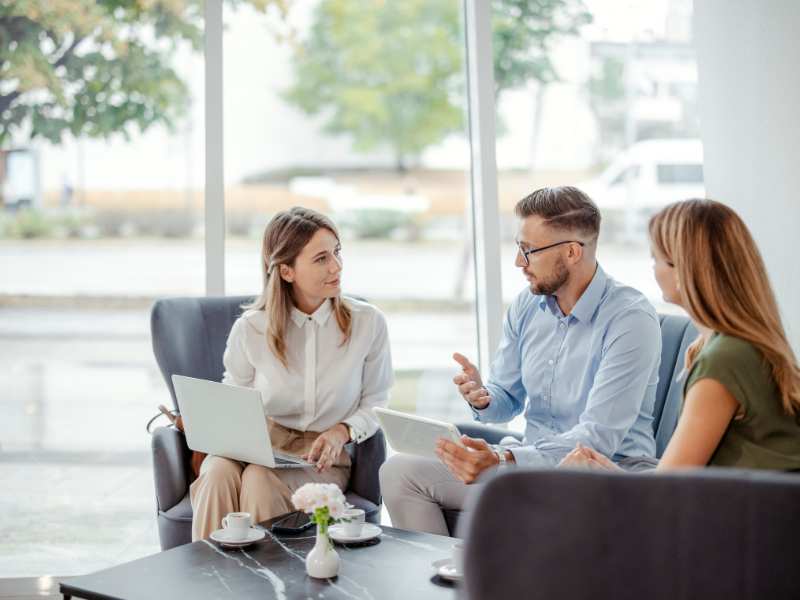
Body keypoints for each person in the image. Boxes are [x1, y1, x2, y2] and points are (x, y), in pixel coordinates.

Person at [380, 186, 662, 535]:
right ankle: (447, 584)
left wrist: (503, 459)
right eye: (518, 247)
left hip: (604, 470)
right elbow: (506, 401)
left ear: (573, 252)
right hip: (528, 464)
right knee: (398, 472)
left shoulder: (630, 319)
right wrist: (484, 396)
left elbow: (598, 437)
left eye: (529, 250)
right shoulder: (528, 305)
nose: (518, 262)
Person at [190, 207, 393, 541]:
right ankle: (208, 583)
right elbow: (233, 400)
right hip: (257, 446)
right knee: (216, 474)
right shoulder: (251, 328)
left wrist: (341, 431)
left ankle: (265, 587)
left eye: (337, 253)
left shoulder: (367, 323)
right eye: (322, 258)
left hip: (321, 458)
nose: (337, 267)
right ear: (286, 271)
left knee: (258, 478)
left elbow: (377, 401)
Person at [561, 199, 800, 472]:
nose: (653, 269)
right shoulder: (736, 346)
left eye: (656, 258)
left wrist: (597, 475)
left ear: (683, 269)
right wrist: (608, 470)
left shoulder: (724, 358)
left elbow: (670, 488)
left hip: (752, 512)